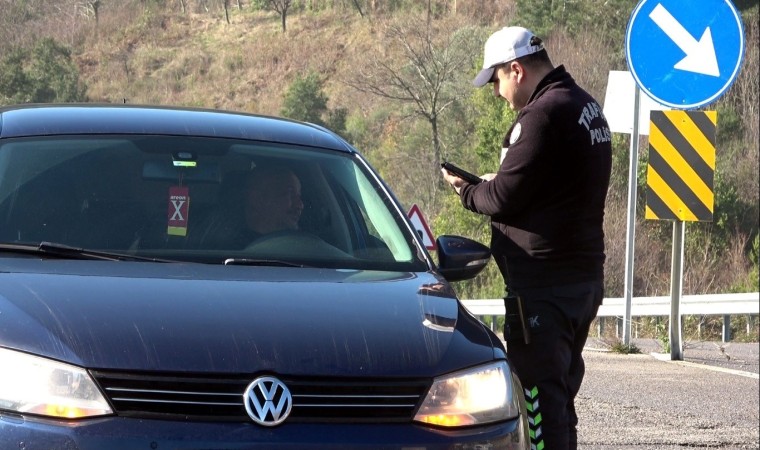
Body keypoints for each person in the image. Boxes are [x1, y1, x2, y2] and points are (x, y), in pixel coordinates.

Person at [441, 26, 612, 450]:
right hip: (580, 279)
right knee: (560, 397)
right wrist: (497, 183)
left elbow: (501, 197)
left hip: (543, 288)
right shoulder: (585, 105)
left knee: (537, 400)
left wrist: (466, 190)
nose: (497, 92)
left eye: (496, 80)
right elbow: (546, 186)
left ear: (516, 70)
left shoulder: (541, 116)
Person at [190, 164, 304, 249]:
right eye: (289, 194)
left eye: (299, 196)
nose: (300, 205)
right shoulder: (221, 245)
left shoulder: (305, 249)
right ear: (257, 199)